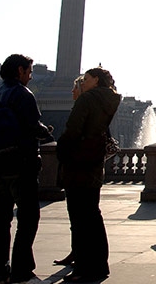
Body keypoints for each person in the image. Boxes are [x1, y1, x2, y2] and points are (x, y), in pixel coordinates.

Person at [0, 54, 53, 284]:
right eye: (29, 71)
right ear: (19, 70)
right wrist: (46, 131)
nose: (30, 75)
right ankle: (22, 271)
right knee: (28, 219)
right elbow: (32, 125)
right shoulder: (23, 94)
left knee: (0, 222)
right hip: (22, 164)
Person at [56, 67, 121, 283]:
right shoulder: (108, 100)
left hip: (78, 162)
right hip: (94, 162)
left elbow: (73, 129)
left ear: (96, 80)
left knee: (80, 218)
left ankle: (83, 268)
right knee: (93, 216)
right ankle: (99, 265)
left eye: (86, 78)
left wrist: (61, 150)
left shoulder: (87, 100)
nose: (83, 81)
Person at [53, 75, 85, 267]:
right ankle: (78, 253)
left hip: (80, 169)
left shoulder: (85, 109)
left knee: (82, 216)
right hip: (79, 169)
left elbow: (72, 136)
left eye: (76, 88)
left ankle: (84, 258)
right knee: (79, 217)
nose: (72, 92)